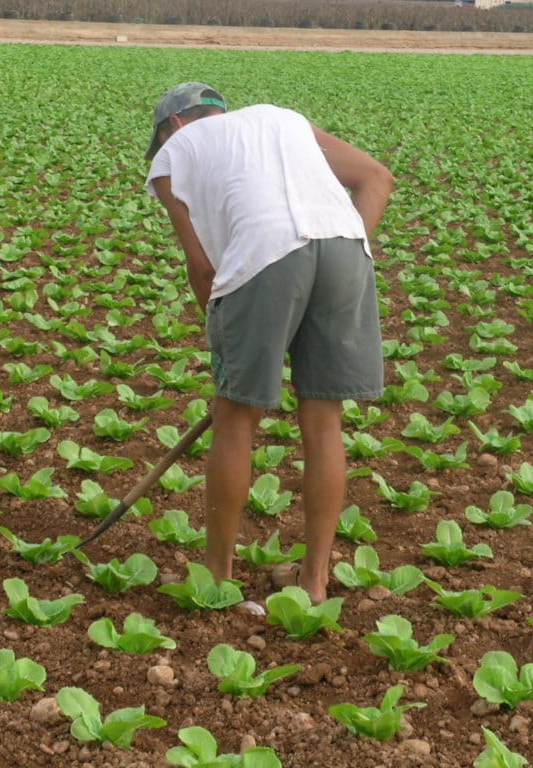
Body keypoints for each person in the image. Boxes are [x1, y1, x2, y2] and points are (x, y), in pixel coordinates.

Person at [145, 82, 393, 605]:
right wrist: (343, 246)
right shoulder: (282, 120)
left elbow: (201, 265)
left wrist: (226, 351)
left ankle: (215, 578)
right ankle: (314, 581)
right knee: (324, 420)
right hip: (347, 248)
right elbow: (376, 179)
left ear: (175, 125)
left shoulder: (176, 151)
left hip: (265, 254)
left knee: (235, 417)